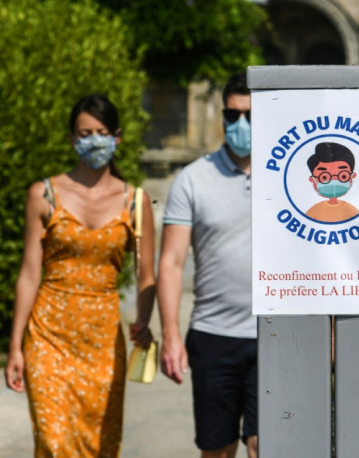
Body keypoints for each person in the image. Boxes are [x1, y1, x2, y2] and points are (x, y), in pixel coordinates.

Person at [4, 94, 156, 456]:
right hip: (47, 336)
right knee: (54, 442)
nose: (93, 140)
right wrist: (15, 346)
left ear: (117, 137)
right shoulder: (44, 195)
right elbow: (29, 274)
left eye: (101, 132)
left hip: (102, 339)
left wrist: (143, 321)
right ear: (72, 139)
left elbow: (147, 273)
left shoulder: (135, 202)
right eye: (84, 133)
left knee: (99, 444)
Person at [157, 71, 258, 458]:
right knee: (218, 450)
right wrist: (170, 334)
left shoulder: (288, 176)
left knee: (265, 445)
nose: (241, 125)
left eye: (250, 115)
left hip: (274, 333)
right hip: (213, 334)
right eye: (232, 116)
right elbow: (171, 261)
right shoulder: (193, 180)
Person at [306, 141, 359, 222]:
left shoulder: (350, 210)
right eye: (324, 177)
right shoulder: (315, 210)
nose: (334, 180)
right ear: (312, 180)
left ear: (352, 177)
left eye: (343, 176)